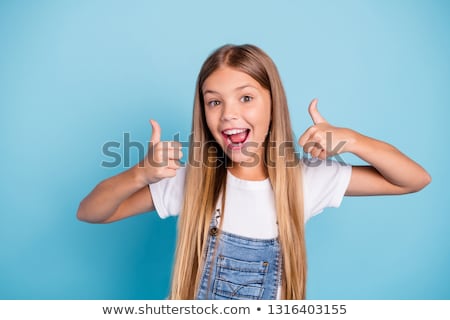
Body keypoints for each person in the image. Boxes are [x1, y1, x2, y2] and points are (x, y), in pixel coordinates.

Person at [77, 44, 431, 300]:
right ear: (204, 113)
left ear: (273, 103)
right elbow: (92, 212)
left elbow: (413, 179)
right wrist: (139, 174)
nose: (228, 113)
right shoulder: (190, 180)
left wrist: (353, 140)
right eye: (215, 101)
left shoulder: (306, 179)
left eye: (245, 98)